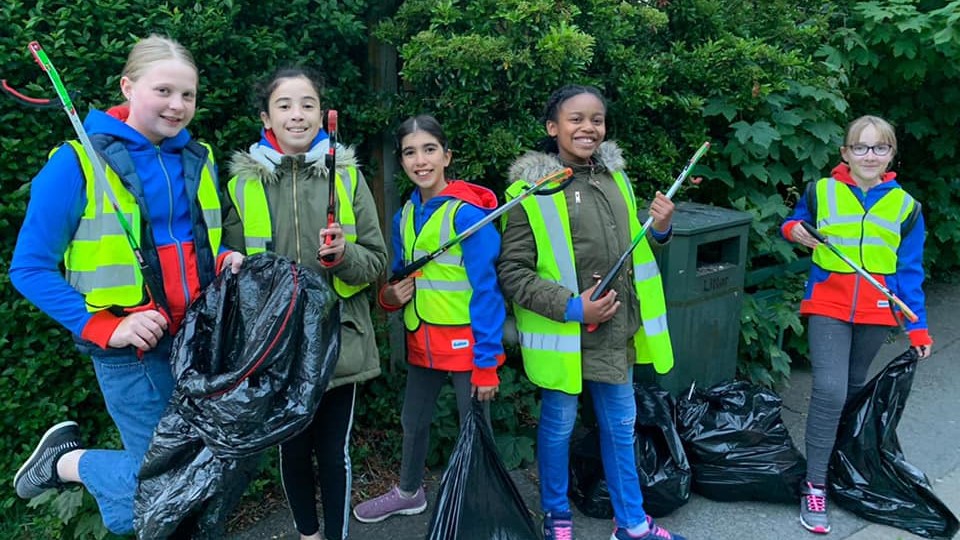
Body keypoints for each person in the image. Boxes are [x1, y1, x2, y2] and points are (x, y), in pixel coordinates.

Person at [9, 35, 243, 535]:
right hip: (130, 352)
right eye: (164, 91)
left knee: (199, 476)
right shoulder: (75, 164)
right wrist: (101, 326)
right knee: (175, 480)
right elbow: (28, 269)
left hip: (195, 344)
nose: (178, 106)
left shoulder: (196, 157)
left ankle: (92, 486)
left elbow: (190, 242)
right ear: (127, 87)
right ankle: (66, 466)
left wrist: (223, 258)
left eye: (189, 95)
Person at [497, 84, 686, 540]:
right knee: (558, 429)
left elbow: (633, 250)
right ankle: (556, 516)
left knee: (621, 430)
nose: (588, 127)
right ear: (553, 127)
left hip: (613, 332)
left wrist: (660, 230)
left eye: (596, 119)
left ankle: (633, 523)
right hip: (564, 337)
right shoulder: (531, 191)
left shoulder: (616, 180)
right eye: (576, 119)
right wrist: (569, 306)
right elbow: (512, 271)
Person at [222, 66, 387, 540]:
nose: (298, 115)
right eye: (285, 105)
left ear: (323, 114)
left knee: (334, 453)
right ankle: (308, 534)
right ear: (266, 117)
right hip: (273, 348)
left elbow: (375, 261)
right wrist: (231, 263)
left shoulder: (348, 179)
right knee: (291, 450)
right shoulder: (240, 186)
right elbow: (229, 267)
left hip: (340, 340)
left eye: (308, 104)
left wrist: (343, 257)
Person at [781, 114, 932, 535]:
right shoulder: (822, 191)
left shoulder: (907, 207)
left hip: (876, 313)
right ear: (845, 152)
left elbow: (909, 273)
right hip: (828, 305)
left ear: (891, 154)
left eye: (879, 148)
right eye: (861, 147)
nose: (870, 155)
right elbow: (791, 222)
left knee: (850, 392)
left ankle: (838, 470)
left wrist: (916, 327)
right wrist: (796, 231)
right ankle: (814, 484)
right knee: (829, 391)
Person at [352, 114, 506, 524]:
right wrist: (388, 297)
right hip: (422, 344)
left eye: (429, 149)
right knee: (413, 420)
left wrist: (488, 362)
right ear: (401, 161)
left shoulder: (469, 216)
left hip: (467, 348)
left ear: (446, 155)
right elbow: (399, 277)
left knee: (475, 429)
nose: (420, 160)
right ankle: (408, 491)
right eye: (410, 152)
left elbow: (488, 293)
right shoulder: (405, 214)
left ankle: (483, 506)